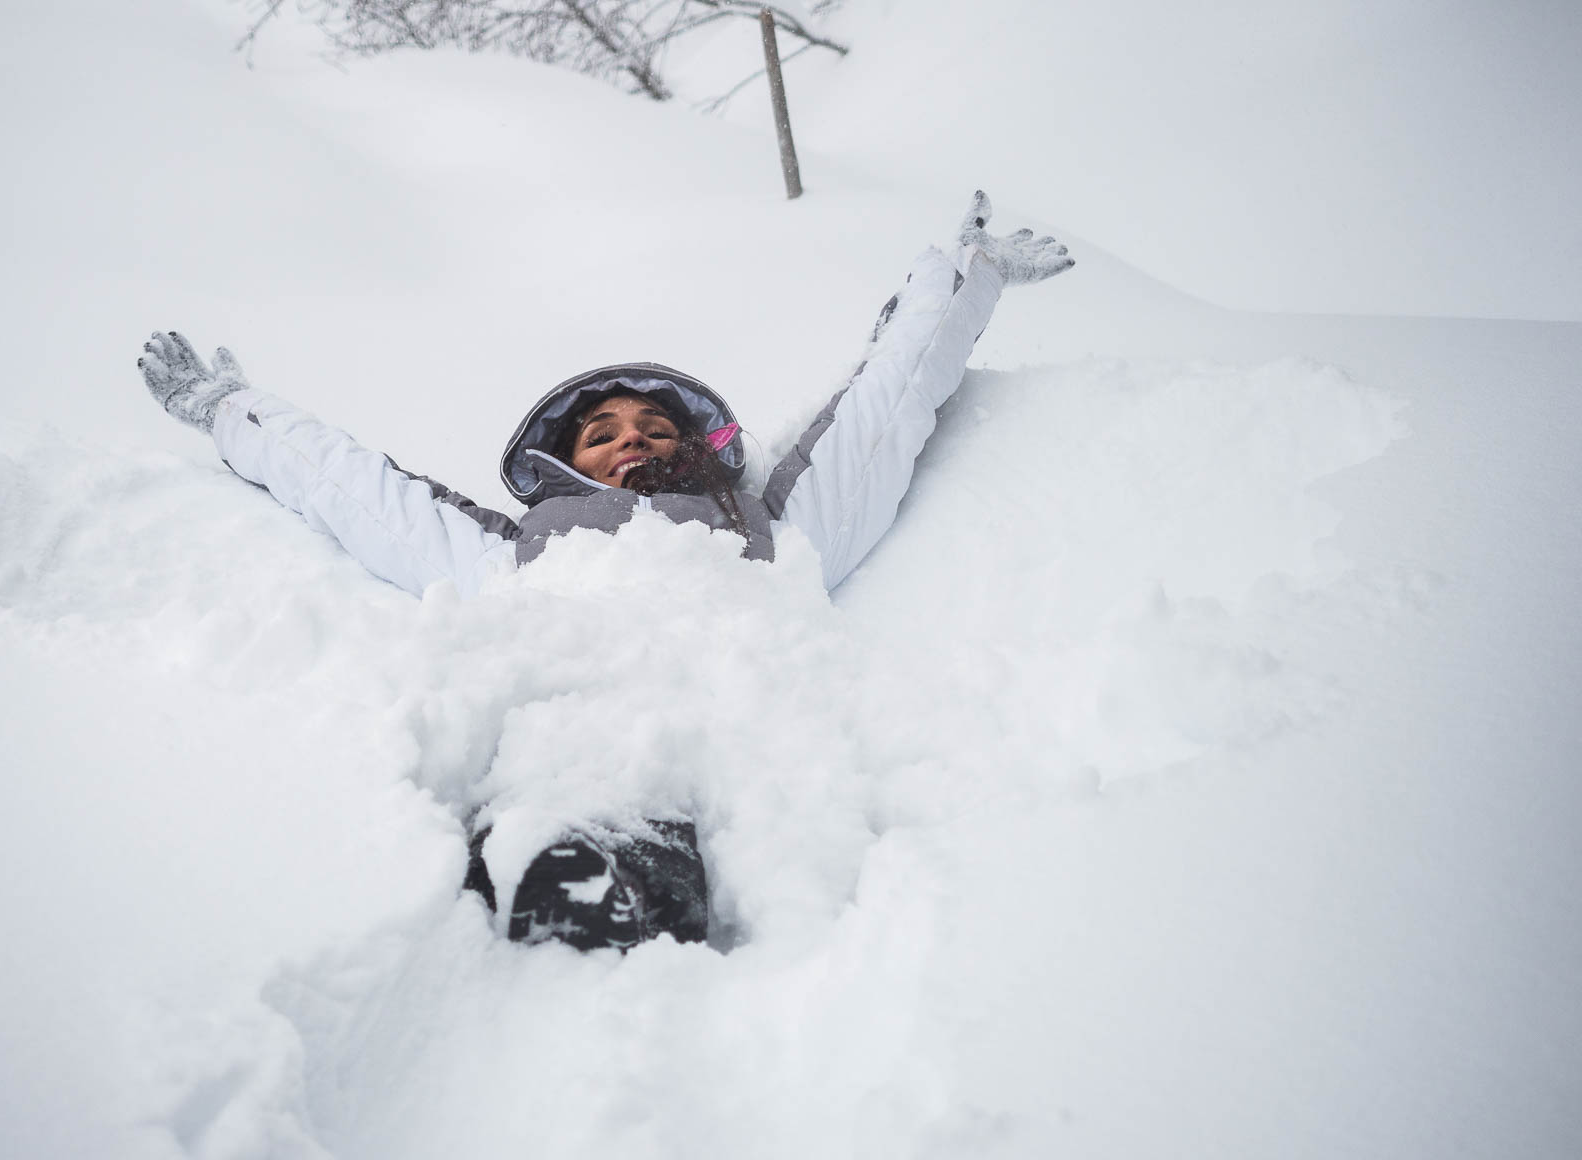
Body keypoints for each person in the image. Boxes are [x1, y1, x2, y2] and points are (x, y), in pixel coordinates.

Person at [138, 190, 1072, 952]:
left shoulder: (768, 531)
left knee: (725, 759)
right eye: (605, 434)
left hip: (730, 741)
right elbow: (368, 497)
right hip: (574, 744)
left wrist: (962, 282)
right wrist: (233, 411)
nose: (632, 443)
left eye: (656, 430)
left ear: (700, 447)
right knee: (560, 736)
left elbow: (879, 412)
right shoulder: (519, 551)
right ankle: (552, 861)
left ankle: (703, 892)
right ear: (569, 465)